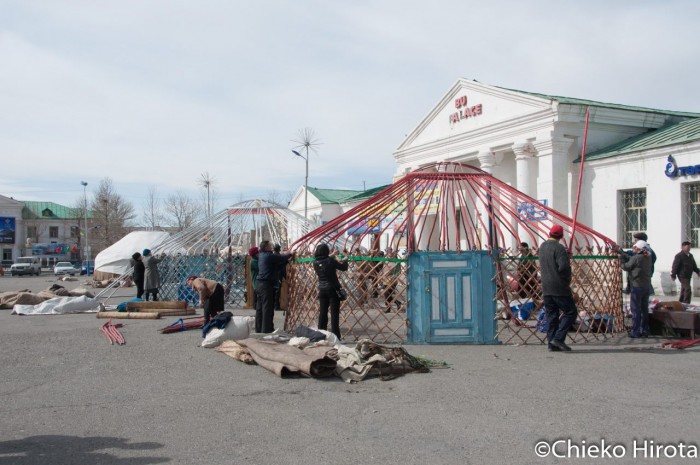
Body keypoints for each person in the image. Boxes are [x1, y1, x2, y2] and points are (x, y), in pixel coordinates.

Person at [539, 225, 577, 352]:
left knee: (552, 316)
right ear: (561, 236)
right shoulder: (559, 248)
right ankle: (559, 338)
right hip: (559, 287)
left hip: (546, 287)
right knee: (571, 312)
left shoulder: (542, 247)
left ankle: (551, 343)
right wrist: (566, 279)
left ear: (549, 233)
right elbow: (563, 267)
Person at [255, 240, 294, 333]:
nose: (271, 247)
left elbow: (276, 267)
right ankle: (266, 330)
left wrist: (286, 261)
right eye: (269, 245)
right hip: (266, 285)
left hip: (260, 284)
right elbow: (281, 258)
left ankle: (259, 329)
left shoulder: (262, 256)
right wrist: (290, 254)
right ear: (266, 247)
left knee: (260, 308)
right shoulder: (268, 256)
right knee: (267, 308)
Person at [312, 243, 349, 339]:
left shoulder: (315, 262)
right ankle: (336, 337)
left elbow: (324, 260)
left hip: (322, 289)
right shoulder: (330, 261)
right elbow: (344, 268)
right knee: (334, 314)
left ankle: (320, 334)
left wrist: (332, 255)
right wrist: (345, 259)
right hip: (332, 289)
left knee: (323, 312)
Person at [619, 240, 652, 338]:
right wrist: (623, 254)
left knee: (636, 310)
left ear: (638, 248)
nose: (633, 249)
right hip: (646, 286)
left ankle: (636, 332)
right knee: (644, 309)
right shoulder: (648, 257)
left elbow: (627, 266)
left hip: (637, 287)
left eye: (634, 247)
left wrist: (621, 260)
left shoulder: (636, 258)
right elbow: (634, 259)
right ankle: (644, 330)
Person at [382, 247, 402, 313]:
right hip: (385, 280)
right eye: (387, 251)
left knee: (387, 295)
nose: (389, 253)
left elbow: (399, 271)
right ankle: (398, 303)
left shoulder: (396, 261)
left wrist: (393, 276)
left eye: (390, 251)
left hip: (392, 280)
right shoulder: (385, 259)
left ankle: (389, 308)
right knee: (388, 295)